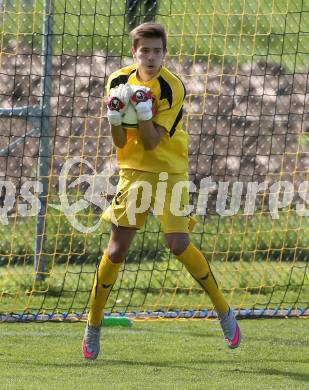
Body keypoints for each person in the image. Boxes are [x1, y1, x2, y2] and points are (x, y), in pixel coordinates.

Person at [82, 22, 241, 360]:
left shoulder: (172, 87)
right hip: (133, 172)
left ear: (164, 53)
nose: (151, 57)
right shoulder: (117, 81)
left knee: (178, 244)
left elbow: (154, 142)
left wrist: (142, 112)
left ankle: (224, 311)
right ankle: (93, 325)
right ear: (134, 53)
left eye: (157, 51)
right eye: (145, 51)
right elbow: (121, 142)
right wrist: (114, 120)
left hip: (169, 169)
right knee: (116, 252)